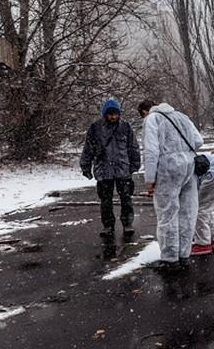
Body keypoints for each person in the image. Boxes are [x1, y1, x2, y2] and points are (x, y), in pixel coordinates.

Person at [138, 100, 203, 272]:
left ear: (146, 111)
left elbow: (151, 151)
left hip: (168, 168)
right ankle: (184, 255)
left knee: (167, 213)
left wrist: (149, 180)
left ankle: (170, 258)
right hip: (190, 166)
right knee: (187, 213)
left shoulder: (152, 119)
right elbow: (198, 141)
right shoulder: (182, 116)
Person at [80, 98, 141, 238]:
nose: (113, 117)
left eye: (115, 114)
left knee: (126, 198)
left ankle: (127, 223)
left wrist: (135, 164)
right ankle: (108, 225)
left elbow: (133, 147)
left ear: (119, 113)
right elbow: (88, 148)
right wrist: (85, 166)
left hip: (122, 169)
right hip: (103, 169)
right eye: (110, 114)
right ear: (104, 114)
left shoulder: (125, 127)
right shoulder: (95, 128)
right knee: (105, 200)